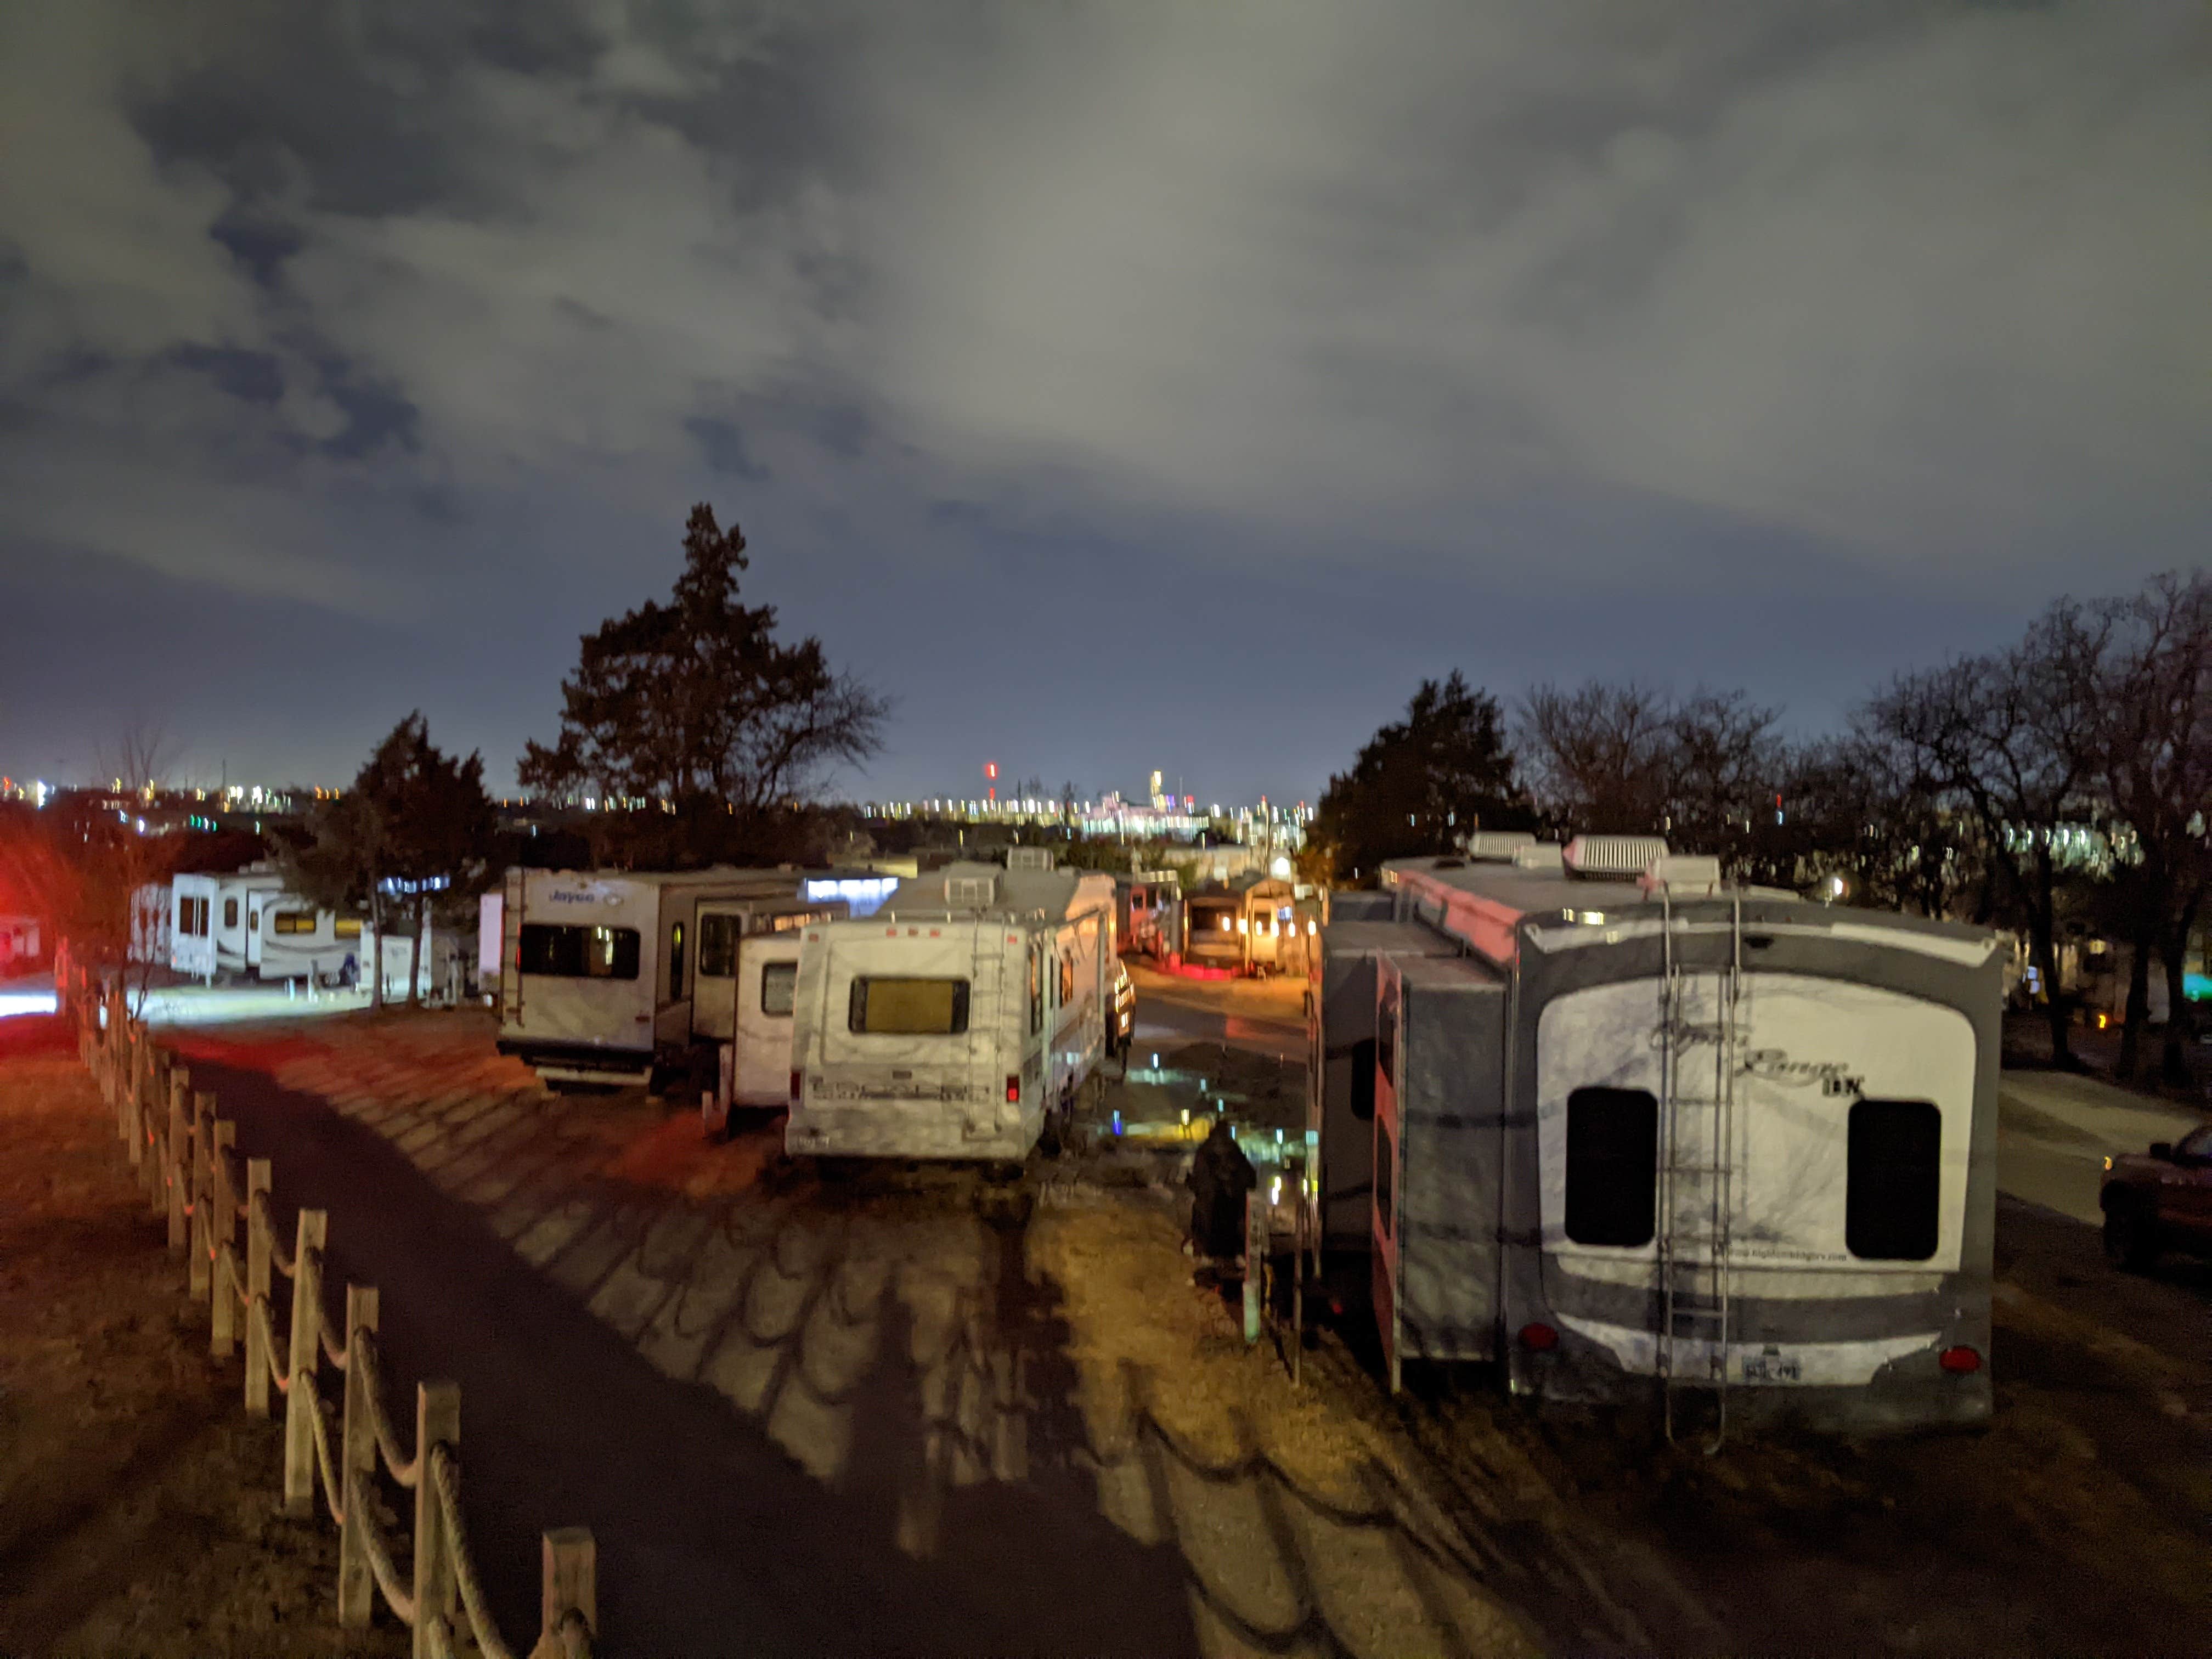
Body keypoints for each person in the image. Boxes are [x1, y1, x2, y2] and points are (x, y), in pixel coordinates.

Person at [1185, 1117, 1257, 1273]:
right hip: (1230, 1206)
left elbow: (1199, 1179)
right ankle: (1236, 1256)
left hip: (1214, 1205)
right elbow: (1249, 1176)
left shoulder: (1205, 1151)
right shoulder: (1233, 1150)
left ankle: (1206, 1255)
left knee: (1204, 1221)